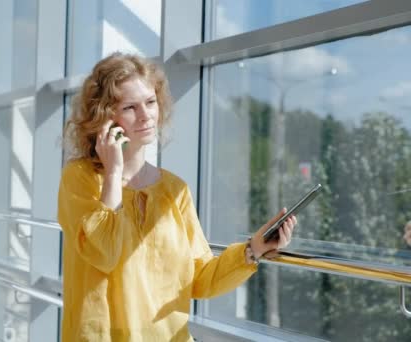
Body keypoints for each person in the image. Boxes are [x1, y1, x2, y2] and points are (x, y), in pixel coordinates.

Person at [57, 52, 297, 341]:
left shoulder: (175, 190)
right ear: (105, 117)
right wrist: (113, 173)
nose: (146, 115)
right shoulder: (80, 178)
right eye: (130, 107)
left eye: (150, 102)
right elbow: (103, 253)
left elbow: (200, 280)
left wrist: (254, 248)